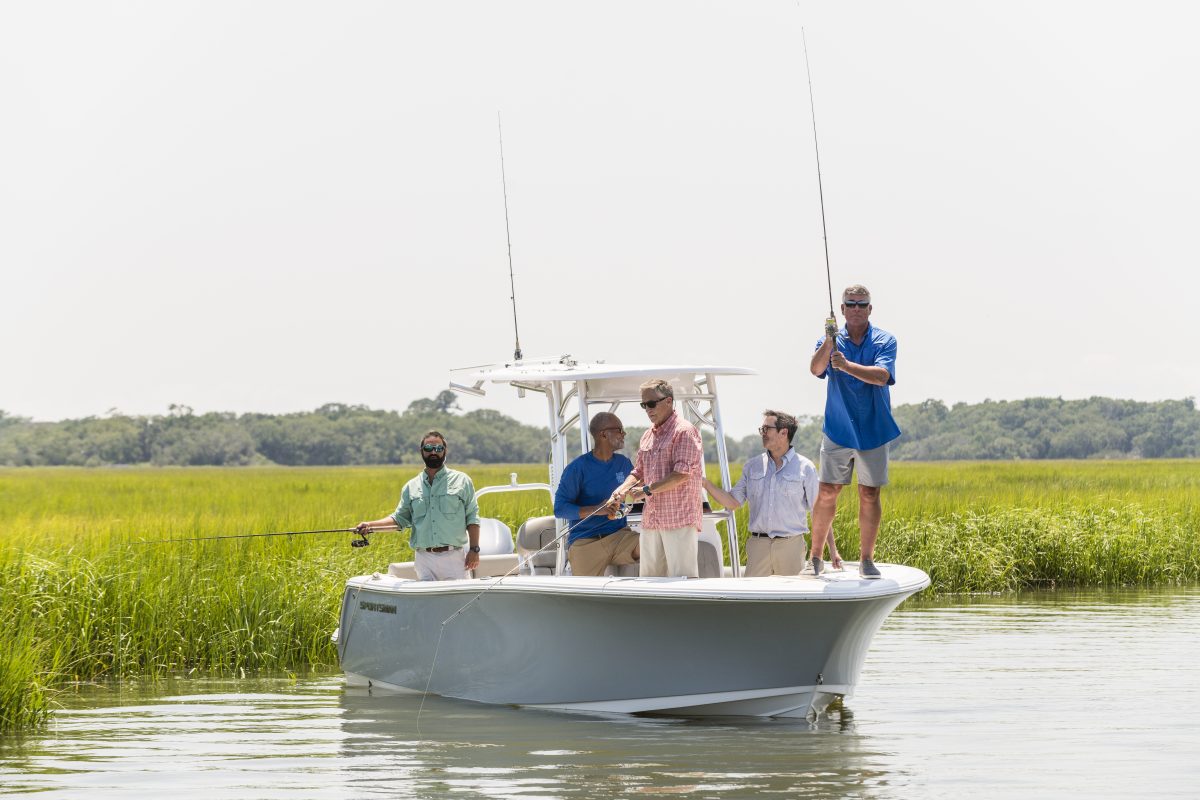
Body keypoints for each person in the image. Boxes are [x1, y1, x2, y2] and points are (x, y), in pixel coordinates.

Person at [808, 284, 901, 579]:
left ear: (870, 309)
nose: (857, 309)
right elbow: (815, 369)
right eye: (852, 304)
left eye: (863, 304)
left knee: (869, 493)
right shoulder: (831, 340)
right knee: (827, 490)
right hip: (838, 427)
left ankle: (866, 559)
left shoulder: (886, 340)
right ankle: (815, 557)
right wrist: (828, 341)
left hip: (874, 428)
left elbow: (883, 375)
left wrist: (847, 366)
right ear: (843, 309)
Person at [701, 410, 839, 576]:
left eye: (767, 429)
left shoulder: (805, 467)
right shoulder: (752, 466)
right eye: (762, 429)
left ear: (784, 432)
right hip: (758, 547)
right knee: (752, 599)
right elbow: (732, 502)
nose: (762, 433)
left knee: (792, 600)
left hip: (791, 547)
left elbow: (820, 513)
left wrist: (832, 549)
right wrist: (704, 483)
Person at [609, 379, 704, 578]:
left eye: (651, 404)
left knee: (682, 581)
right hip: (651, 521)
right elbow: (638, 472)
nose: (647, 409)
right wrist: (621, 490)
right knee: (649, 581)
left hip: (679, 519)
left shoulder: (684, 431)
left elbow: (681, 474)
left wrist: (645, 490)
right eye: (644, 405)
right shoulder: (647, 436)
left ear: (668, 401)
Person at [355, 431, 481, 581]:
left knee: (460, 602)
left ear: (445, 451)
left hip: (454, 557)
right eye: (428, 448)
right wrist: (370, 526)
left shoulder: (462, 480)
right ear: (422, 452)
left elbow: (472, 516)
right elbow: (399, 519)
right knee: (427, 604)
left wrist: (474, 550)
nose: (434, 452)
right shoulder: (411, 486)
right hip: (424, 559)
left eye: (438, 448)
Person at [553, 412, 640, 576]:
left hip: (620, 537)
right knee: (582, 598)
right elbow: (560, 509)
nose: (624, 434)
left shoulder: (624, 463)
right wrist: (597, 509)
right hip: (585, 542)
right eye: (619, 430)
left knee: (652, 545)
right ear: (603, 434)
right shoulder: (577, 468)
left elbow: (634, 493)